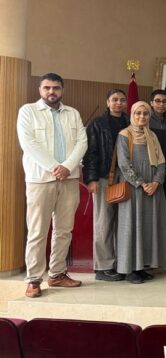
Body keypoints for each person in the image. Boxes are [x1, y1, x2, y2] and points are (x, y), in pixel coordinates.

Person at [17, 73, 88, 298]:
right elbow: (29, 144)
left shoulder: (73, 113)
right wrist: (54, 167)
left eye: (56, 88)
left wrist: (67, 167)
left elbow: (82, 142)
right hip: (40, 179)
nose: (51, 92)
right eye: (47, 87)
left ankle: (57, 274)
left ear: (62, 90)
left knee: (64, 229)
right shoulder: (28, 111)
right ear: (40, 89)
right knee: (38, 231)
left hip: (69, 179)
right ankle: (34, 279)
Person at [115, 102, 166, 284]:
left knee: (147, 226)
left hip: (152, 186)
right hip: (133, 187)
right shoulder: (124, 134)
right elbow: (124, 164)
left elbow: (161, 161)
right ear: (132, 114)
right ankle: (130, 269)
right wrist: (141, 183)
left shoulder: (152, 135)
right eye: (138, 113)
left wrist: (156, 182)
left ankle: (142, 266)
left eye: (145, 114)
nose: (142, 117)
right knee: (131, 226)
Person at [84, 88, 129, 281]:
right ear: (107, 102)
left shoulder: (130, 121)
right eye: (115, 99)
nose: (119, 103)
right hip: (104, 177)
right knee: (104, 222)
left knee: (124, 221)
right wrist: (91, 179)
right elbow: (90, 152)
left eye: (122, 100)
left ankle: (122, 263)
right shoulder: (97, 123)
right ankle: (103, 267)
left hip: (126, 176)